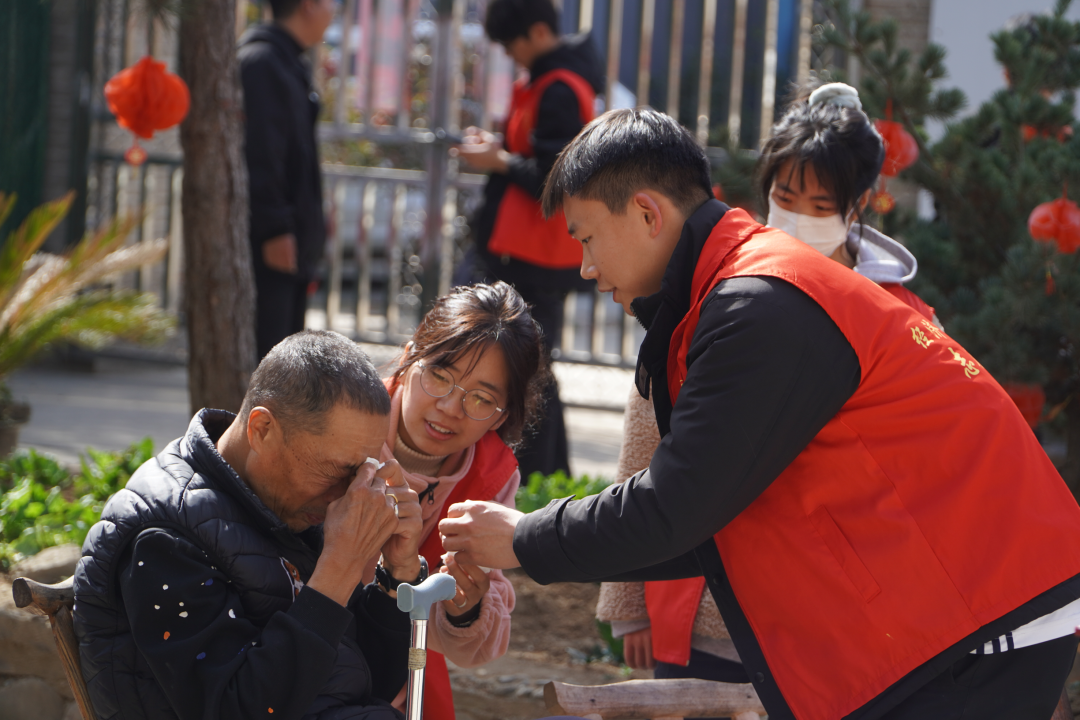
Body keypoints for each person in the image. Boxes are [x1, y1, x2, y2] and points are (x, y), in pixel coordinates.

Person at [439, 108, 1080, 720]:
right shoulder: (738, 291)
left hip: (984, 608)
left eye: (586, 237)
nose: (585, 267)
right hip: (963, 604)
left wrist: (525, 537)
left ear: (644, 213)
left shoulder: (756, 303)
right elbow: (706, 519)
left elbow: (677, 508)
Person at [596, 82, 941, 699]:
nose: (799, 214)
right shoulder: (725, 291)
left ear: (859, 203)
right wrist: (630, 597)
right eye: (785, 195)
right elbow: (648, 433)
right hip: (707, 599)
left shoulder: (904, 317)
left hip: (837, 615)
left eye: (820, 202)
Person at [73, 330, 428, 720]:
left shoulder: (275, 502)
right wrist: (337, 570)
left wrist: (397, 574)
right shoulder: (164, 538)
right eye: (337, 470)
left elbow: (364, 682)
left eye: (363, 472)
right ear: (262, 429)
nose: (348, 496)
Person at [375, 281, 549, 720]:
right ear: (412, 355)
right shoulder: (349, 419)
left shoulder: (492, 476)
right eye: (440, 374)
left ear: (503, 415)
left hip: (397, 677)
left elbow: (472, 647)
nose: (451, 407)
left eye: (481, 398)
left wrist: (466, 609)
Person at [454, 0, 604, 478]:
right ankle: (544, 476)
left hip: (532, 258)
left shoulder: (559, 86)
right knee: (528, 371)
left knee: (530, 374)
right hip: (520, 252)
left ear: (538, 32)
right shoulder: (549, 79)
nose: (512, 55)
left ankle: (541, 477)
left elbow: (555, 176)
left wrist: (499, 161)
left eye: (513, 43)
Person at [239, 0, 334, 360]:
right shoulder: (263, 62)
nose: (333, 11)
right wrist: (275, 229)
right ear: (308, 5)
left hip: (289, 244)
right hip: (270, 248)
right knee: (269, 363)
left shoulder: (286, 59)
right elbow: (262, 154)